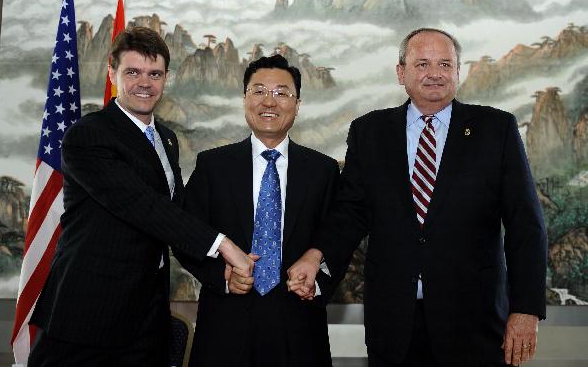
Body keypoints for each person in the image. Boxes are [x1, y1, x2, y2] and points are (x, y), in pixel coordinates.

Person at [287, 28, 547, 367]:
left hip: (475, 323)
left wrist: (525, 309)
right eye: (422, 63)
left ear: (458, 71)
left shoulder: (496, 130)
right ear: (401, 73)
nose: (434, 73)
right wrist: (315, 255)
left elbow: (525, 225)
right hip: (394, 324)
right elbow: (349, 214)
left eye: (444, 63)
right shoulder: (370, 132)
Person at [28, 26, 253, 366]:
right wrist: (224, 245)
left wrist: (218, 274)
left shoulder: (166, 139)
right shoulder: (88, 136)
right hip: (86, 314)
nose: (144, 83)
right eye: (132, 72)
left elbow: (176, 218)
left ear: (166, 78)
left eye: (154, 73)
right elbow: (142, 207)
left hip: (147, 318)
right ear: (111, 73)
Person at [176, 54, 342, 367]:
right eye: (259, 91)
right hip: (225, 327)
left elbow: (338, 238)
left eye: (281, 93)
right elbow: (187, 235)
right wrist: (222, 277)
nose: (270, 101)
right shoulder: (212, 165)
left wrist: (316, 282)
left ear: (297, 103)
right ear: (245, 100)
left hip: (300, 329)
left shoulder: (323, 170)